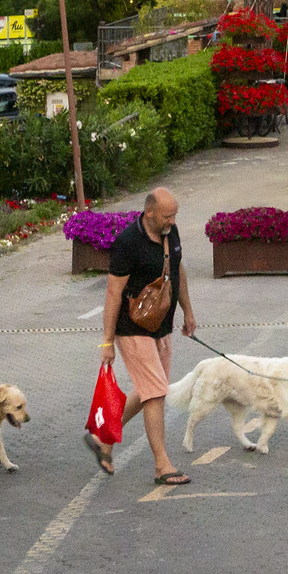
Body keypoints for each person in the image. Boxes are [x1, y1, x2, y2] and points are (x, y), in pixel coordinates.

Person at [86, 187, 197, 486]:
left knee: (151, 390)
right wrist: (107, 342)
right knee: (156, 391)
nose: (171, 221)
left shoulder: (170, 233)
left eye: (174, 215)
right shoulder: (127, 243)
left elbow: (178, 271)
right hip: (131, 328)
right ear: (149, 212)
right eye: (165, 216)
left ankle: (102, 438)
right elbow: (112, 293)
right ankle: (162, 464)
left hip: (161, 326)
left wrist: (187, 311)